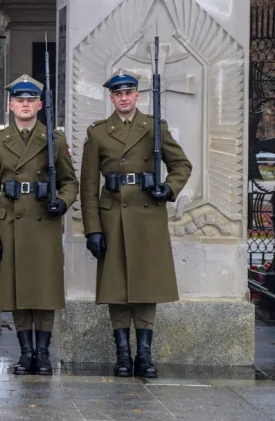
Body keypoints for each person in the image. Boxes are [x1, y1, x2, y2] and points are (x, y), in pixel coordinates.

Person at [80, 69, 192, 378]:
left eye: (128, 92)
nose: (124, 98)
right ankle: (122, 356)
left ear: (136, 95)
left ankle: (144, 355)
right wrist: (93, 229)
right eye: (118, 94)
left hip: (147, 215)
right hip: (112, 214)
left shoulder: (154, 127)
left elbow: (181, 164)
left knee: (146, 286)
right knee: (116, 287)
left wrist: (168, 188)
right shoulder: (98, 132)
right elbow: (88, 186)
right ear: (112, 98)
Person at [0, 74, 78, 375]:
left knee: (44, 291)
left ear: (39, 105)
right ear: (11, 105)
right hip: (10, 222)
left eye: (30, 100)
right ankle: (26, 354)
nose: (25, 104)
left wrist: (61, 202)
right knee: (17, 291)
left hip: (43, 222)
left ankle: (43, 354)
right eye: (19, 100)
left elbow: (70, 182)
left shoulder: (55, 141)